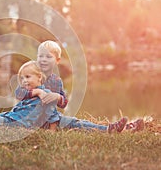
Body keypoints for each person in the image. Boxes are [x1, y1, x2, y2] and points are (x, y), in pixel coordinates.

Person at [15, 40, 144, 133]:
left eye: (48, 56)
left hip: (52, 119)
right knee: (74, 124)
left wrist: (57, 97)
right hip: (32, 118)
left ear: (57, 61)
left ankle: (113, 129)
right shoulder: (31, 75)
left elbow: (64, 103)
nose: (43, 59)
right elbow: (19, 93)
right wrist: (36, 92)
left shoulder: (56, 81)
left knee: (77, 123)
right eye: (40, 56)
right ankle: (114, 129)